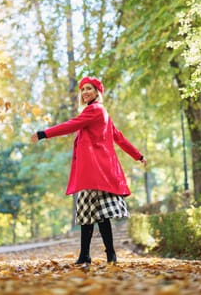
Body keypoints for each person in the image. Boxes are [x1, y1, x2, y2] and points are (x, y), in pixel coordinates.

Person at [31, 76, 147, 265]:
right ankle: (94, 255)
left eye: (89, 89)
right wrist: (139, 156)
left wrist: (44, 133)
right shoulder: (102, 113)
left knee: (94, 214)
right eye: (82, 89)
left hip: (95, 172)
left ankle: (102, 255)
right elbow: (119, 138)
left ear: (97, 92)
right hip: (95, 173)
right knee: (91, 215)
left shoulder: (95, 110)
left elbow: (71, 125)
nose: (84, 92)